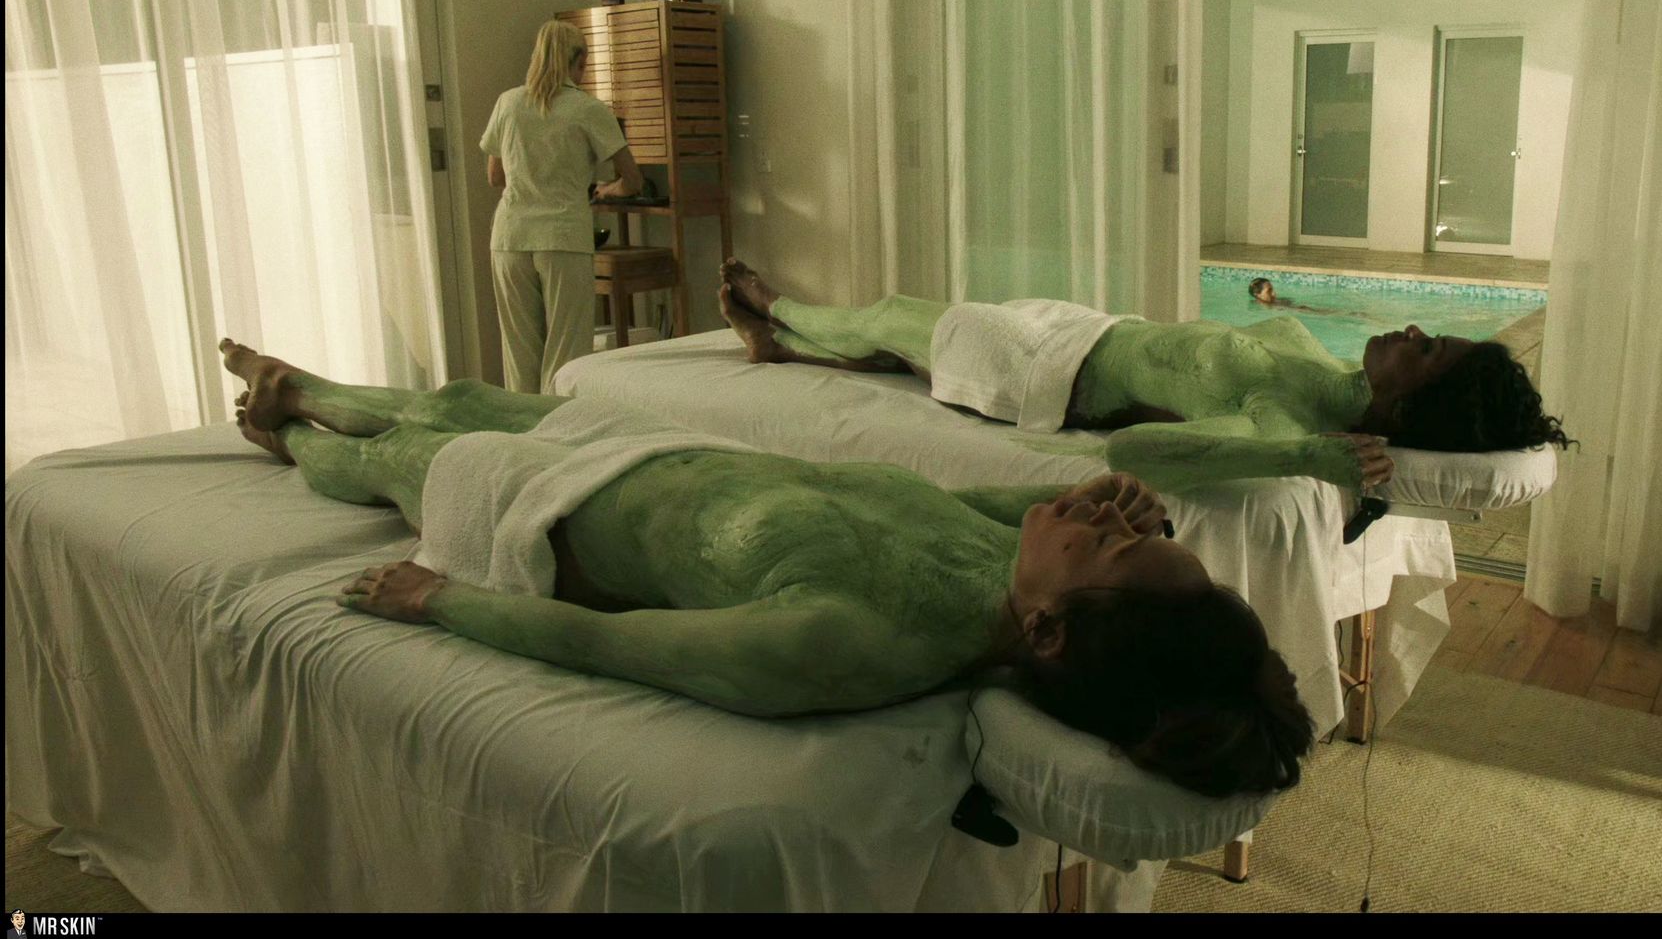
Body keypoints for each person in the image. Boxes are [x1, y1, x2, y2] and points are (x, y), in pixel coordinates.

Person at [219, 338, 1314, 799]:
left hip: (538, 514)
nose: (1097, 515)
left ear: (1049, 632)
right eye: (1127, 527)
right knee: (459, 395)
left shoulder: (850, 644)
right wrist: (1114, 501)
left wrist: (441, 597)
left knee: (388, 461)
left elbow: (610, 643)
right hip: (644, 447)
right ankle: (303, 387)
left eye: (1111, 542)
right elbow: (1004, 505)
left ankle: (290, 431)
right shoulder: (1001, 556)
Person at [717, 259, 1571, 494]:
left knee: (892, 315)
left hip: (1045, 370)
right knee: (906, 346)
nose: (1414, 330)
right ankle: (784, 349)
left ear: (1409, 402)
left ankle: (779, 309)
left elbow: (1134, 454)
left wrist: (1305, 459)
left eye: (1427, 349)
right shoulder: (1333, 372)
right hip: (1082, 327)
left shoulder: (1286, 424)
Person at [481, 20, 645, 394]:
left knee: (519, 353)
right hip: (563, 238)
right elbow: (633, 179)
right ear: (580, 62)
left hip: (510, 238)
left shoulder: (508, 103)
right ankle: (560, 425)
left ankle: (525, 427)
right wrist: (607, 190)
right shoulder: (588, 109)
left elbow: (495, 176)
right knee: (565, 354)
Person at [1246, 276, 1367, 319]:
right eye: (1269, 291)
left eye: (1272, 289)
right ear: (1257, 294)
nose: (1274, 294)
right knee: (1325, 313)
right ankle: (1350, 315)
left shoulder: (1273, 304)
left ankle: (1350, 314)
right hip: (1302, 311)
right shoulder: (1263, 310)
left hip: (1301, 308)